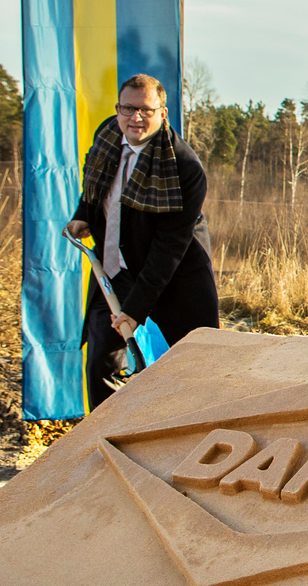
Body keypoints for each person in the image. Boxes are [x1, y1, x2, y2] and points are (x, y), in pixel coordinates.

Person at [65, 74, 219, 409]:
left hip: (175, 275)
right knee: (102, 363)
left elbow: (169, 247)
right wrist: (83, 214)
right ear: (118, 109)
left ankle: (200, 432)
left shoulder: (184, 167)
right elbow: (95, 183)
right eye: (128, 108)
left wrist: (134, 310)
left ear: (163, 113)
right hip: (116, 270)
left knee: (198, 365)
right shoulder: (108, 136)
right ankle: (106, 436)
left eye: (146, 110)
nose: (135, 117)